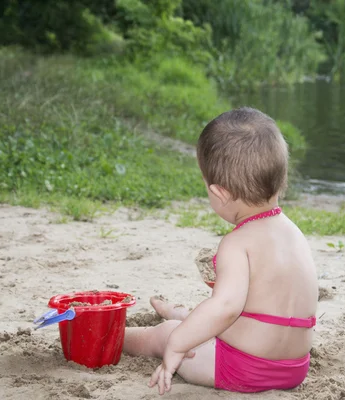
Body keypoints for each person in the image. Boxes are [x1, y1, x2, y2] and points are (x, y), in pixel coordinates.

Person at [123, 107, 318, 395]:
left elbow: (226, 308)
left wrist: (178, 344)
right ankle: (182, 315)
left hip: (245, 368)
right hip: (294, 368)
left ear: (220, 193)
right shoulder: (294, 233)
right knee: (205, 320)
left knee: (166, 335)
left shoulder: (236, 243)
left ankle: (114, 337)